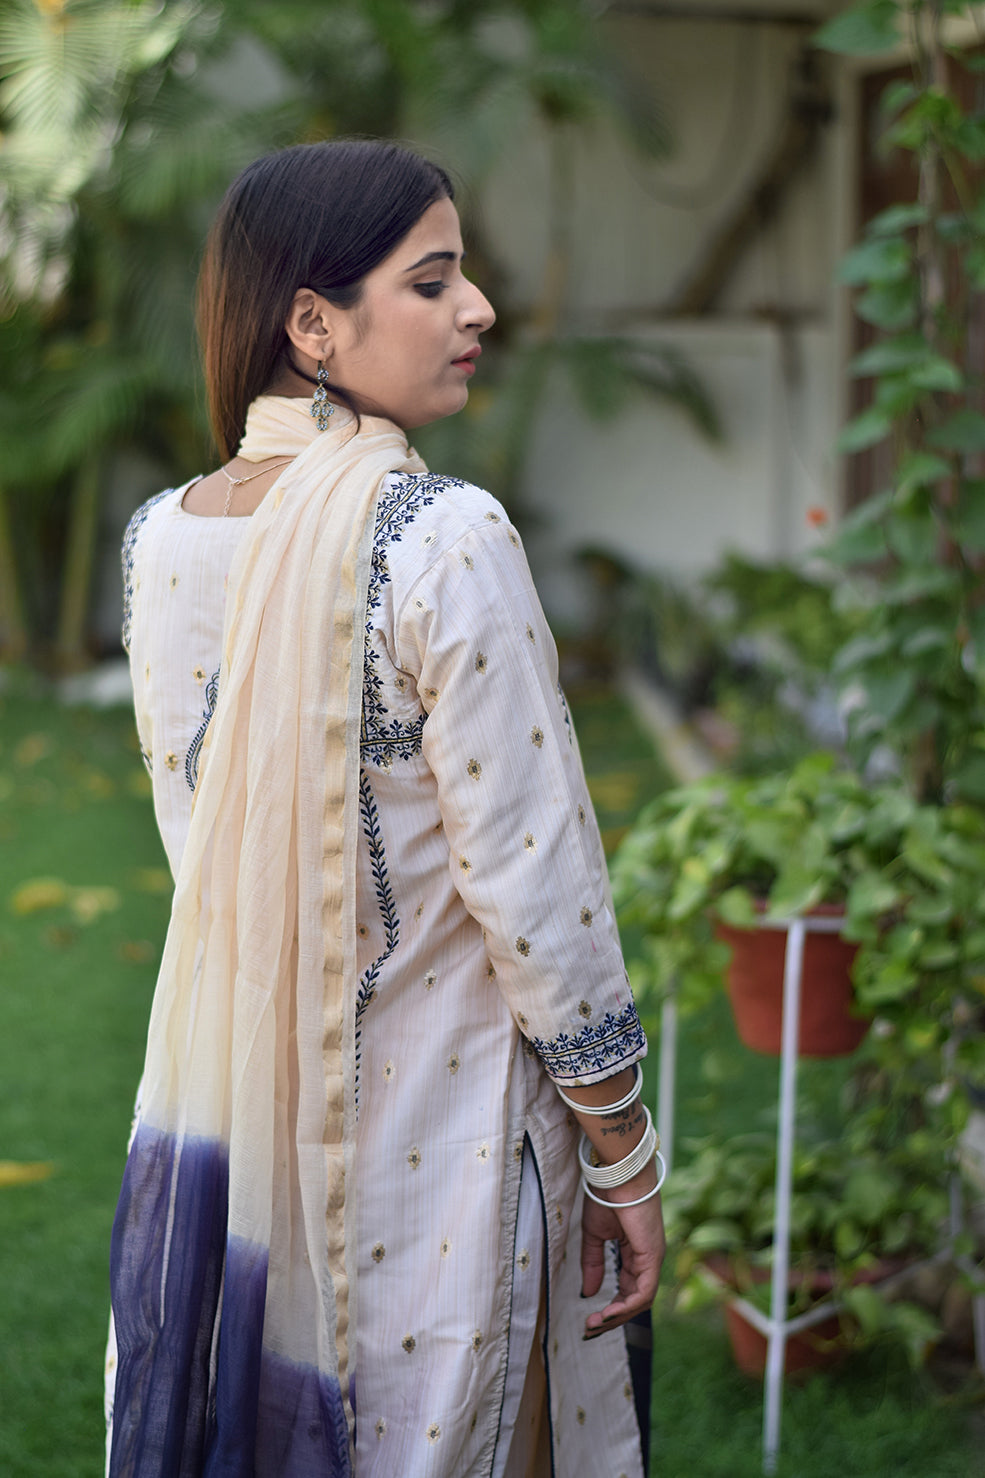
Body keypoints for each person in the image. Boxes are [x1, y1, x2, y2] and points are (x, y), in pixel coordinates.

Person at [108, 138, 665, 1478]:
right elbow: (535, 892)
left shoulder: (163, 535)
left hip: (238, 1145)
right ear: (312, 322)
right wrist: (624, 1154)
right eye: (433, 280)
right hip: (444, 1153)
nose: (476, 310)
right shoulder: (440, 537)